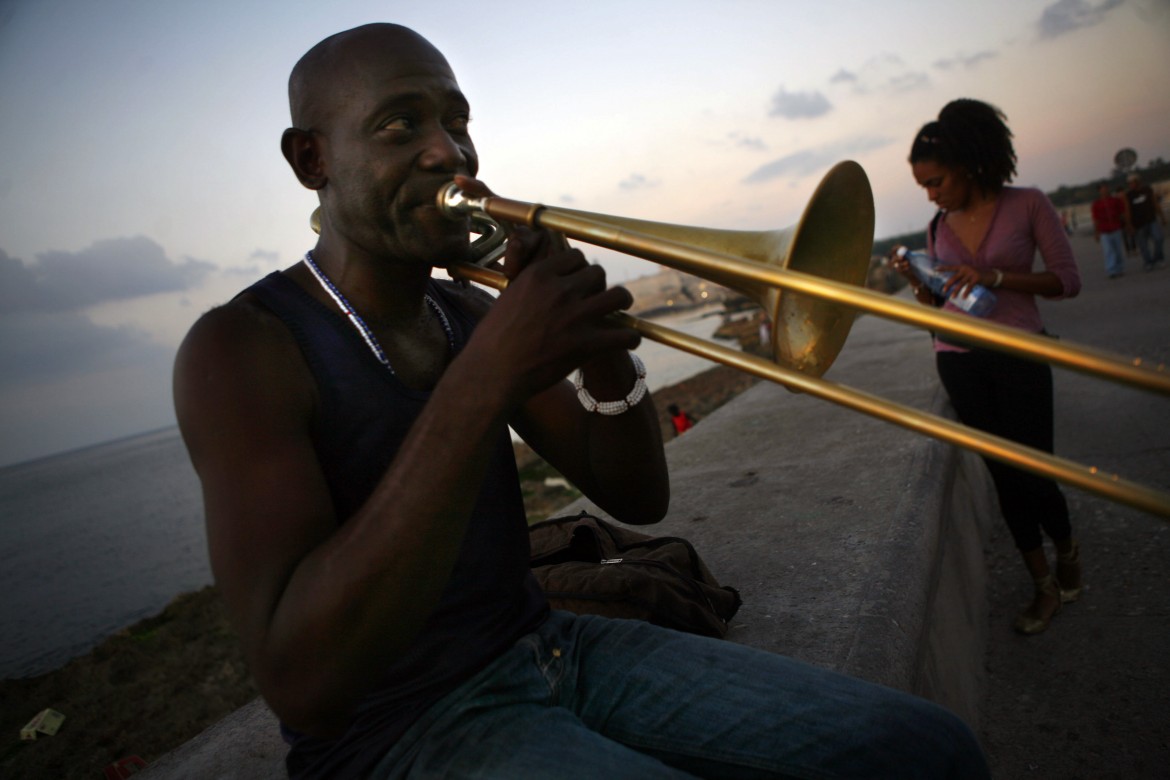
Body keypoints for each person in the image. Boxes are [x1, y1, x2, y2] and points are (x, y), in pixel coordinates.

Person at [174, 23, 989, 778]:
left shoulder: (464, 310)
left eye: (457, 124)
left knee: (926, 747)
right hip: (395, 734)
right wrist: (486, 377)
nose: (447, 152)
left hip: (548, 646)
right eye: (399, 126)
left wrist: (600, 354)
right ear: (311, 160)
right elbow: (303, 685)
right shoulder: (243, 349)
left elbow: (638, 493)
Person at [890, 98, 1083, 637]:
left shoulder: (1028, 204)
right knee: (1002, 475)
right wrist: (915, 278)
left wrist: (994, 277)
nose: (931, 195)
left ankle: (1067, 547)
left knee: (1036, 472)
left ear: (969, 164)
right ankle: (1042, 583)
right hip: (958, 359)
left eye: (936, 182)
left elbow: (1066, 281)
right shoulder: (936, 227)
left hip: (1020, 352)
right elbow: (936, 306)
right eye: (924, 186)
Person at [1124, 172, 1166, 270]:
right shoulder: (1129, 195)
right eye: (1129, 183)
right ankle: (1148, 262)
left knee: (1159, 238)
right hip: (1138, 224)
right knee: (1143, 245)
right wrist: (1129, 224)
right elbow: (1127, 210)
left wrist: (1162, 217)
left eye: (1132, 182)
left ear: (1137, 182)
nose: (1130, 185)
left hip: (1151, 220)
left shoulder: (1147, 190)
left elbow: (1155, 203)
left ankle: (1158, 258)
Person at [1090, 182, 1128, 278]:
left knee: (1118, 250)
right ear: (1099, 191)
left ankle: (1119, 268)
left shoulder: (1115, 201)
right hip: (1104, 231)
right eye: (1102, 189)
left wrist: (1128, 224)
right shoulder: (1096, 204)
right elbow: (1096, 219)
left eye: (1106, 189)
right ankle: (1111, 270)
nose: (1105, 191)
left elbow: (1122, 214)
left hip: (1116, 228)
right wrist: (1096, 232)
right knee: (1108, 251)